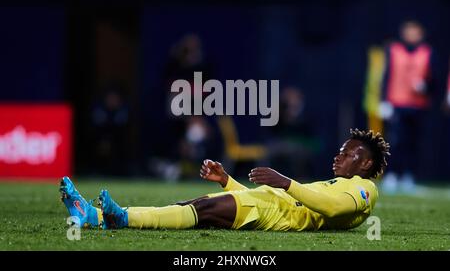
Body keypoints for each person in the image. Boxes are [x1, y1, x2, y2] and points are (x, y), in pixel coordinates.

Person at [60, 128, 389, 232]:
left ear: (367, 163)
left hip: (275, 213)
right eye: (341, 151)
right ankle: (97, 216)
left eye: (348, 154)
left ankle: (116, 218)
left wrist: (286, 183)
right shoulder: (338, 182)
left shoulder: (364, 189)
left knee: (199, 210)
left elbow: (332, 209)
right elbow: (276, 199)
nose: (338, 156)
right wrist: (228, 181)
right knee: (195, 206)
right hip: (266, 205)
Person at [379, 20, 434, 194]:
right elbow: (386, 75)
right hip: (397, 103)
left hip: (418, 105)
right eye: (409, 31)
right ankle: (392, 175)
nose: (412, 35)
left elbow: (434, 79)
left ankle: (408, 176)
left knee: (413, 142)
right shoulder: (393, 49)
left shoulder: (427, 52)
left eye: (415, 32)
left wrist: (425, 86)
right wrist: (383, 100)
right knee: (396, 142)